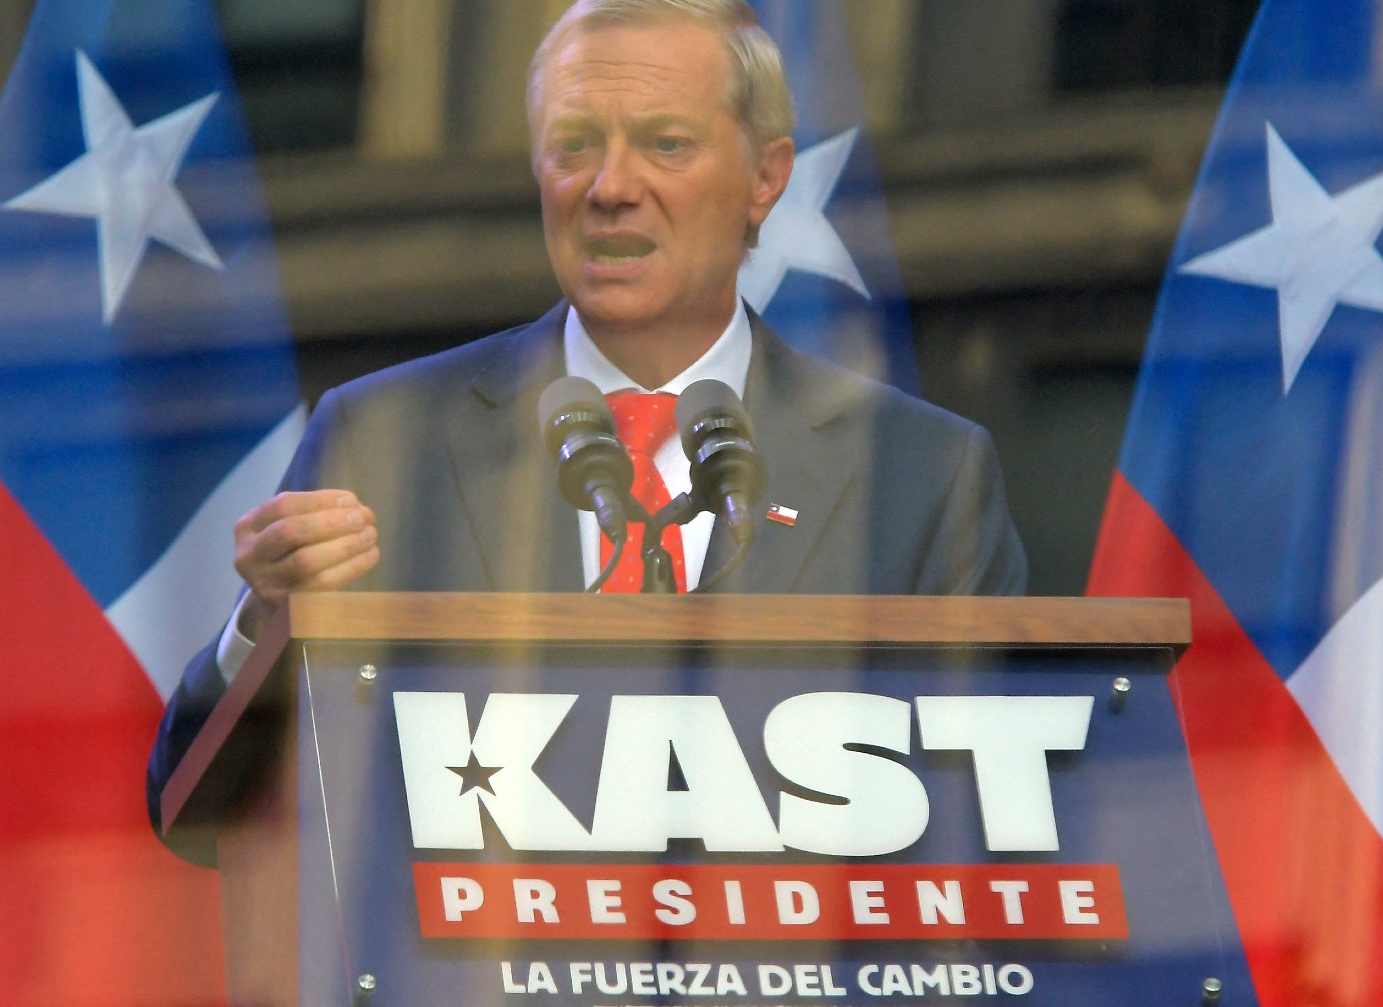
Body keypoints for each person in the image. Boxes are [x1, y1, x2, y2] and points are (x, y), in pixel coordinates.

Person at [147, 0, 1026, 856]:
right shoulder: (382, 440)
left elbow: (996, 827)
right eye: (574, 145)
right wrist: (266, 621)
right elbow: (199, 811)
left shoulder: (921, 471)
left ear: (765, 178)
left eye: (666, 144)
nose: (611, 188)